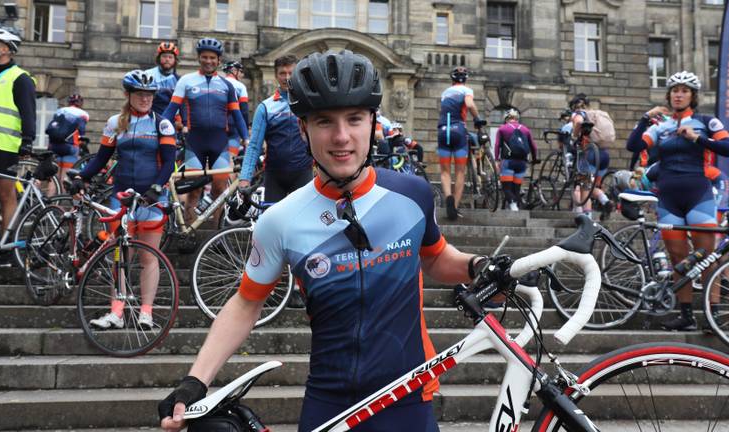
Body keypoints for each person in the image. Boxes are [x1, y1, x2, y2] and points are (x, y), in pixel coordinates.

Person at [159, 50, 487, 432]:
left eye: (354, 119)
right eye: (324, 121)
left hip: (409, 397)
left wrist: (477, 267)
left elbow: (435, 258)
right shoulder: (280, 219)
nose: (342, 136)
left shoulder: (411, 194)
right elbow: (247, 301)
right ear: (303, 130)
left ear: (373, 123)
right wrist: (195, 380)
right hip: (330, 403)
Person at [626, 71, 729, 331]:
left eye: (684, 91)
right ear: (669, 95)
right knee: (678, 259)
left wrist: (697, 138)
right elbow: (633, 146)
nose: (678, 94)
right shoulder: (660, 126)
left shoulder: (707, 122)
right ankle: (686, 315)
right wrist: (644, 118)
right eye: (675, 90)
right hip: (669, 199)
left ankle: (713, 313)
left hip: (698, 194)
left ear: (692, 96)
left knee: (707, 256)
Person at [73, 70, 176, 329]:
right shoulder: (115, 123)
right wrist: (81, 177)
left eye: (149, 95)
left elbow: (169, 163)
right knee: (120, 255)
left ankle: (146, 312)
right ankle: (116, 312)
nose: (145, 99)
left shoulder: (162, 124)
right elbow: (100, 158)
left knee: (148, 257)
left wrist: (156, 188)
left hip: (151, 199)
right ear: (127, 95)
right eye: (140, 94)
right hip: (121, 198)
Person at [163, 38, 248, 221]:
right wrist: (158, 131)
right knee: (194, 190)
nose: (208, 61)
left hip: (219, 143)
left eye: (212, 58)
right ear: (199, 58)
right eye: (204, 57)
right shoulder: (186, 81)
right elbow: (170, 111)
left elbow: (237, 115)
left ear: (219, 60)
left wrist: (246, 139)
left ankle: (216, 233)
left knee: (220, 190)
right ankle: (189, 232)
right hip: (195, 143)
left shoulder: (227, 85)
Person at [238, 54, 313, 203]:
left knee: (302, 223)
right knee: (272, 223)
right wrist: (245, 178)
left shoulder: (309, 103)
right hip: (274, 175)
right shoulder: (265, 107)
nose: (287, 77)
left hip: (303, 173)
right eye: (282, 73)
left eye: (291, 73)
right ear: (276, 76)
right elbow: (254, 146)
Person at [0, 28, 35, 266]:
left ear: (6, 48)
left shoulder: (20, 78)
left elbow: (28, 113)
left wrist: (27, 141)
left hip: (5, 146)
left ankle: (7, 245)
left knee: (6, 195)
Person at [437, 66, 486, 220]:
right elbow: (469, 104)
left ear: (452, 79)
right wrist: (477, 119)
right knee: (460, 172)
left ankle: (448, 198)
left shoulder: (445, 93)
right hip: (459, 130)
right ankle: (455, 207)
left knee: (445, 172)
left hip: (443, 131)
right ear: (465, 79)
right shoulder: (466, 90)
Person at [567, 94, 614, 219]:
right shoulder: (598, 113)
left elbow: (578, 122)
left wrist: (574, 136)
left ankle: (587, 217)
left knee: (585, 187)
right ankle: (605, 200)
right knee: (592, 186)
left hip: (590, 155)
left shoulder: (580, 113)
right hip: (603, 156)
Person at [494, 108, 538, 211]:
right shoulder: (526, 129)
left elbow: (497, 145)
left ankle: (513, 204)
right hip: (522, 163)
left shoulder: (502, 129)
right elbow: (534, 147)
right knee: (516, 188)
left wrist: (497, 160)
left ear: (506, 118)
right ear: (517, 118)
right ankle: (515, 206)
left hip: (508, 162)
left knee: (506, 188)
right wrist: (534, 159)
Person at [46, 93, 89, 196]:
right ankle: (60, 205)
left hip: (54, 146)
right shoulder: (83, 114)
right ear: (81, 103)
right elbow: (81, 135)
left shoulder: (59, 111)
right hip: (69, 147)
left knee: (54, 178)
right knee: (64, 178)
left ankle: (47, 205)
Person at [222, 60, 250, 159]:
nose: (242, 75)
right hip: (234, 128)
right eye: (241, 71)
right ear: (234, 70)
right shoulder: (240, 86)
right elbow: (244, 111)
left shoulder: (219, 82)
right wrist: (245, 133)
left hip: (218, 126)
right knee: (230, 160)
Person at [145, 42, 180, 117]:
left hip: (171, 118)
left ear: (175, 60)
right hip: (151, 115)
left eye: (170, 57)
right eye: (164, 56)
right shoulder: (148, 74)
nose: (167, 59)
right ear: (159, 58)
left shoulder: (178, 80)